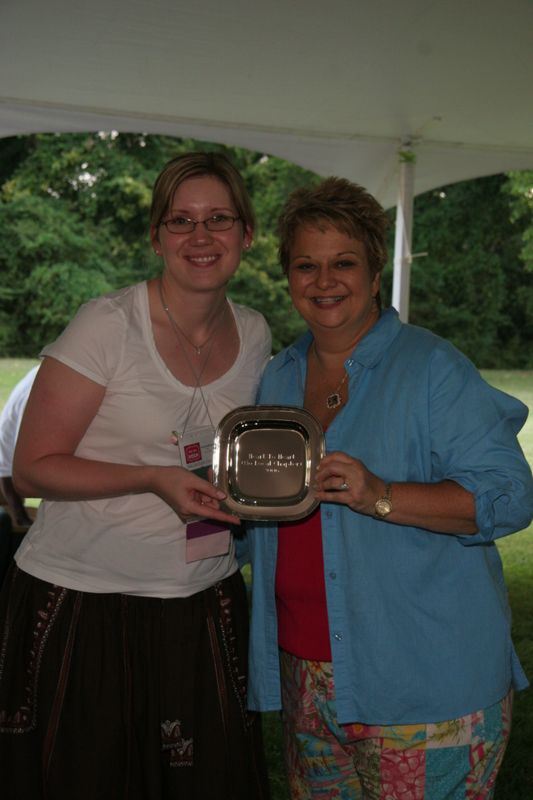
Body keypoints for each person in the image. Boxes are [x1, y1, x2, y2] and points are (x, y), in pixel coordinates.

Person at [244, 177, 533, 799]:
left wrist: (381, 494)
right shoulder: (277, 378)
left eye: (343, 262)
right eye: (306, 265)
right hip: (309, 679)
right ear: (288, 276)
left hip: (422, 686)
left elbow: (510, 494)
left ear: (375, 272)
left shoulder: (431, 367)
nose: (324, 282)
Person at [0, 152, 272, 799]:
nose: (199, 237)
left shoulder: (257, 333)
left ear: (246, 234)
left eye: (218, 219)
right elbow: (32, 465)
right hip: (83, 599)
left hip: (203, 599)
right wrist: (151, 478)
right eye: (179, 221)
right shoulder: (109, 324)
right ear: (156, 237)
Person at [0, 365, 39, 585]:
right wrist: (22, 519)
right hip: (9, 481)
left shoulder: (41, 374)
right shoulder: (41, 384)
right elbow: (22, 469)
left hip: (11, 478)